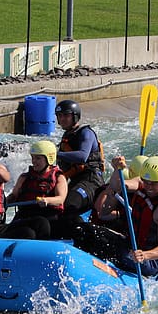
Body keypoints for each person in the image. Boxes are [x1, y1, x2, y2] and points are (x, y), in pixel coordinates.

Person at [73, 156, 158, 277]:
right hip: (130, 244)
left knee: (122, 254)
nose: (148, 186)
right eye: (146, 182)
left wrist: (144, 255)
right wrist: (118, 170)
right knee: (83, 231)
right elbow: (119, 185)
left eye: (153, 184)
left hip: (149, 260)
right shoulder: (141, 182)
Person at [53, 99, 105, 233]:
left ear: (75, 116)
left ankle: (84, 235)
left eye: (66, 115)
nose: (62, 119)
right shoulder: (67, 136)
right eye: (60, 116)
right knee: (56, 205)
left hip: (92, 181)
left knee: (71, 204)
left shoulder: (86, 133)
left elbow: (82, 156)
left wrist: (56, 154)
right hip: (76, 182)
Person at [0, 140, 67, 240]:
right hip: (25, 216)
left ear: (49, 159)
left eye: (38, 158)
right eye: (33, 158)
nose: (33, 161)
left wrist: (47, 200)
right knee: (32, 230)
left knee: (42, 223)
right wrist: (3, 203)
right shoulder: (24, 177)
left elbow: (60, 199)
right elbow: (13, 196)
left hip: (48, 216)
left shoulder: (59, 177)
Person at [90, 154, 147, 230]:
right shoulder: (120, 184)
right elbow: (100, 214)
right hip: (106, 224)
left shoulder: (149, 191)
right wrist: (120, 214)